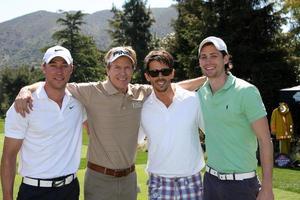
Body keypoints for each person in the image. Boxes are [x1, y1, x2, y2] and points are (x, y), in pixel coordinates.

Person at [13, 46, 207, 200]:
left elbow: (171, 86)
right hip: (99, 180)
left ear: (133, 70)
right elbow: (56, 82)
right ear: (107, 69)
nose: (122, 73)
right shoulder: (90, 92)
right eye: (117, 67)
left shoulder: (141, 92)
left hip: (129, 180)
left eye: (127, 67)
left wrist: (209, 77)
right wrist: (26, 89)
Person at [0, 45, 86, 200]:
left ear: (71, 68)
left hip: (70, 190)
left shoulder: (79, 101)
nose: (59, 71)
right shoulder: (23, 105)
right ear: (43, 68)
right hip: (34, 192)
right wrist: (7, 197)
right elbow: (9, 156)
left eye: (64, 66)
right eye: (53, 65)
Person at [197, 36, 274, 200]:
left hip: (241, 185)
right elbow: (172, 88)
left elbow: (265, 140)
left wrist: (267, 188)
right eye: (203, 57)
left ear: (225, 59)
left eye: (214, 56)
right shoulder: (200, 93)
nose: (208, 61)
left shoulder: (246, 91)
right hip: (210, 182)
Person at [138, 50, 205, 199]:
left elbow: (212, 133)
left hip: (191, 180)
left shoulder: (193, 99)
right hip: (158, 182)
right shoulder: (143, 107)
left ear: (172, 73)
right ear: (147, 76)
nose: (160, 77)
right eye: (154, 73)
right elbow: (134, 141)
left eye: (165, 71)